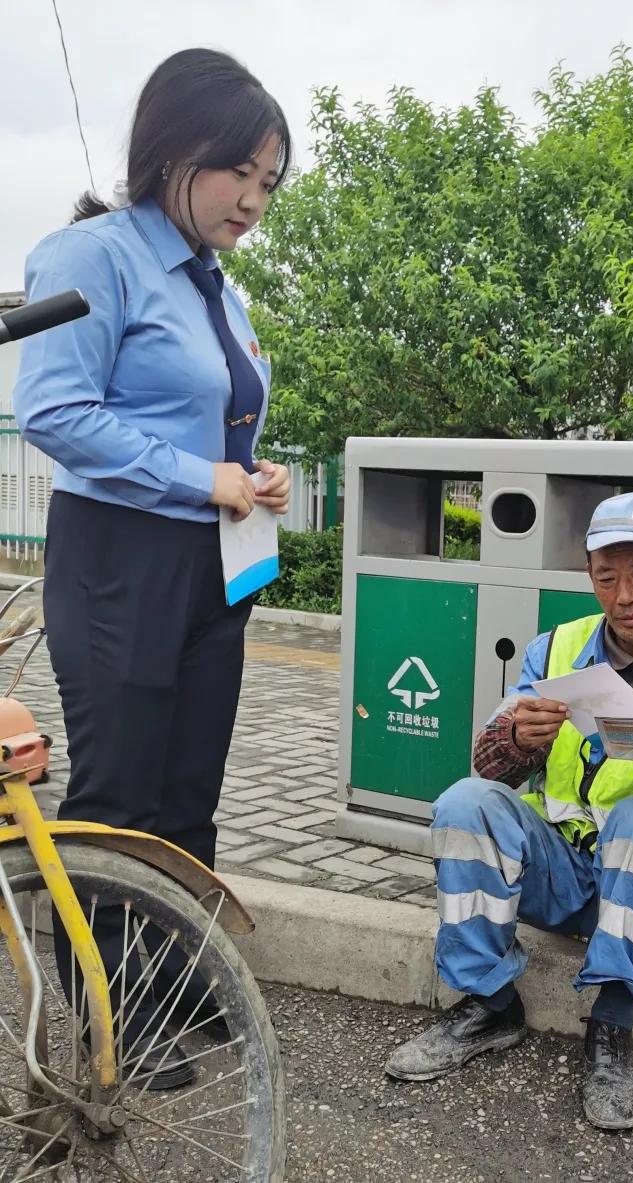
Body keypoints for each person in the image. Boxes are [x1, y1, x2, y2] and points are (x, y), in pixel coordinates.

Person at [14, 49, 292, 1090]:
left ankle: (171, 981)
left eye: (270, 183)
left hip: (212, 559)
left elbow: (209, 417)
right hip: (120, 555)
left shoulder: (217, 283)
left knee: (189, 787)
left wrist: (246, 478)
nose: (256, 202)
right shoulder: (95, 255)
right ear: (180, 151)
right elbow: (54, 413)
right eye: (244, 175)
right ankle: (105, 1003)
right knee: (122, 788)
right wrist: (202, 477)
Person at [385, 490, 633, 1129]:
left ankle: (611, 1027)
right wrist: (515, 740)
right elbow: (489, 764)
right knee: (465, 803)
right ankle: (490, 1004)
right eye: (607, 577)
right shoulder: (555, 650)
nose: (625, 596)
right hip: (568, 880)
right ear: (589, 577)